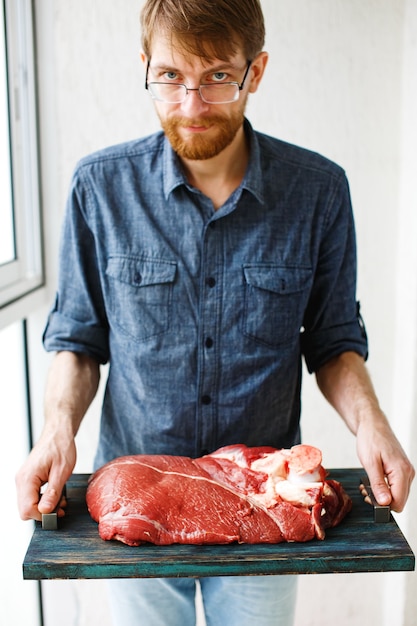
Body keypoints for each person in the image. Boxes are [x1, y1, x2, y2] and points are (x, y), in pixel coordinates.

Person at [16, 1, 414, 625]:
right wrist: (57, 429)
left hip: (268, 505)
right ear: (145, 67)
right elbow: (79, 338)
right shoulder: (99, 187)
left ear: (255, 72)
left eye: (218, 77)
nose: (192, 105)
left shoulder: (318, 191)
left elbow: (334, 341)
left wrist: (372, 426)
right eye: (171, 77)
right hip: (134, 500)